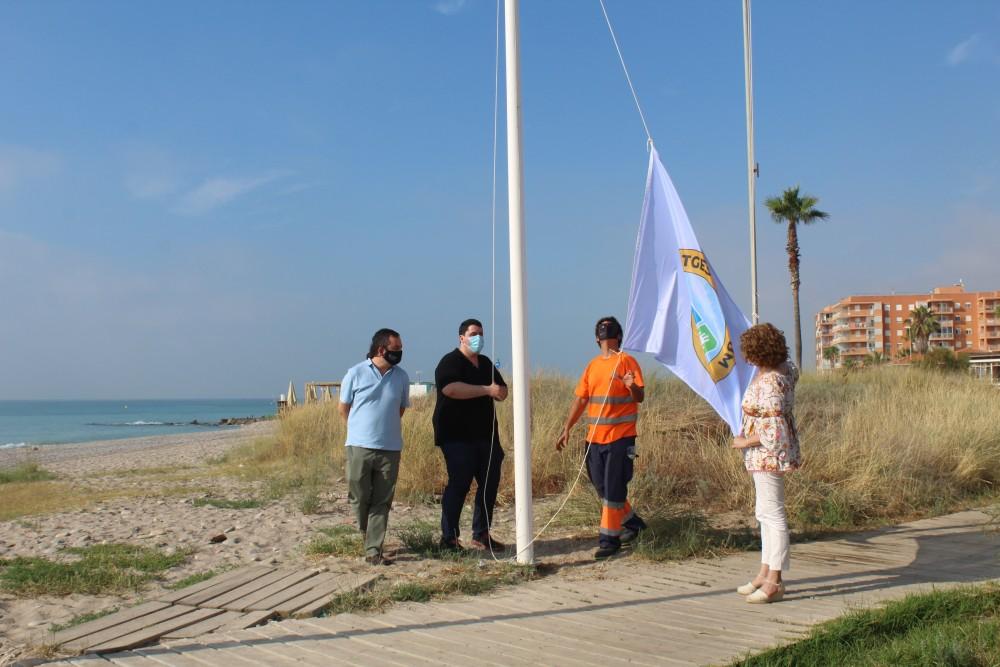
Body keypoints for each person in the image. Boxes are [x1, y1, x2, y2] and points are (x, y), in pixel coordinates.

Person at [556, 316, 648, 560]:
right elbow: (581, 399)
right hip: (594, 439)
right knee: (602, 487)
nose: (605, 332)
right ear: (597, 338)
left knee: (614, 488)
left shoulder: (627, 361)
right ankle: (634, 524)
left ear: (618, 336)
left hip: (621, 438)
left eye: (610, 328)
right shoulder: (593, 366)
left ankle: (609, 540)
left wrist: (631, 386)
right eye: (602, 329)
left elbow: (639, 396)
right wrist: (567, 427)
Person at [731, 323, 801, 603]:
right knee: (764, 512)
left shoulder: (771, 382)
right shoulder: (784, 371)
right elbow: (791, 367)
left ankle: (775, 580)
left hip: (768, 455)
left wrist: (744, 441)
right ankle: (765, 572)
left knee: (773, 515)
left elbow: (774, 431)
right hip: (765, 457)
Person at [433, 318, 508, 551]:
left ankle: (482, 534)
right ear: (462, 337)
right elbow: (450, 388)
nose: (478, 338)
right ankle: (449, 538)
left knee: (489, 485)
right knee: (459, 484)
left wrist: (497, 391)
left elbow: (502, 390)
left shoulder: (485, 363)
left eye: (481, 334)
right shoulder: (450, 362)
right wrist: (486, 390)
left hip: (487, 436)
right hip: (457, 437)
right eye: (474, 334)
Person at [338, 328, 410, 566]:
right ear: (381, 349)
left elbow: (400, 408)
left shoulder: (401, 377)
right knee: (359, 496)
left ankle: (373, 549)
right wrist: (358, 430)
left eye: (401, 349)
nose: (400, 353)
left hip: (390, 448)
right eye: (396, 348)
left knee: (382, 500)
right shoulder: (355, 373)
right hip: (359, 446)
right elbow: (343, 408)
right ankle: (365, 533)